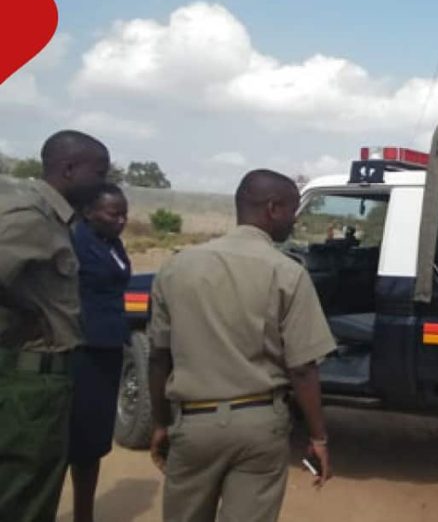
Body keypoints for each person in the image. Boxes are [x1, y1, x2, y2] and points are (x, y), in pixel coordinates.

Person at [148, 169, 336, 522]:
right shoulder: (288, 273)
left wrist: (160, 422)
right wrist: (318, 437)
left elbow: (158, 357)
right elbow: (302, 368)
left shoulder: (175, 268)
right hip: (259, 423)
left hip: (193, 421)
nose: (294, 220)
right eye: (292, 210)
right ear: (273, 208)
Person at [0, 130, 110, 521]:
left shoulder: (56, 221)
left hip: (46, 383)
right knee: (23, 500)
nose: (104, 183)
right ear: (68, 169)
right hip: (28, 385)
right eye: (98, 172)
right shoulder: (30, 219)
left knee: (36, 492)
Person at [67, 183, 131, 522]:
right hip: (82, 349)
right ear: (90, 212)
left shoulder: (112, 245)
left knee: (92, 441)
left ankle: (84, 514)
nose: (121, 221)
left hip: (108, 350)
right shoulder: (75, 243)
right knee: (73, 436)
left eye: (124, 215)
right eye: (113, 214)